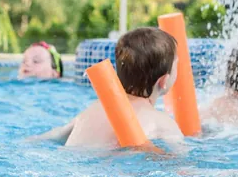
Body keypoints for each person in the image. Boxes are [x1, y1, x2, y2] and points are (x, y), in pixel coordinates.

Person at [33, 27, 184, 148]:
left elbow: (54, 136)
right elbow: (179, 165)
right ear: (163, 81)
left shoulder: (93, 110)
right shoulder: (162, 123)